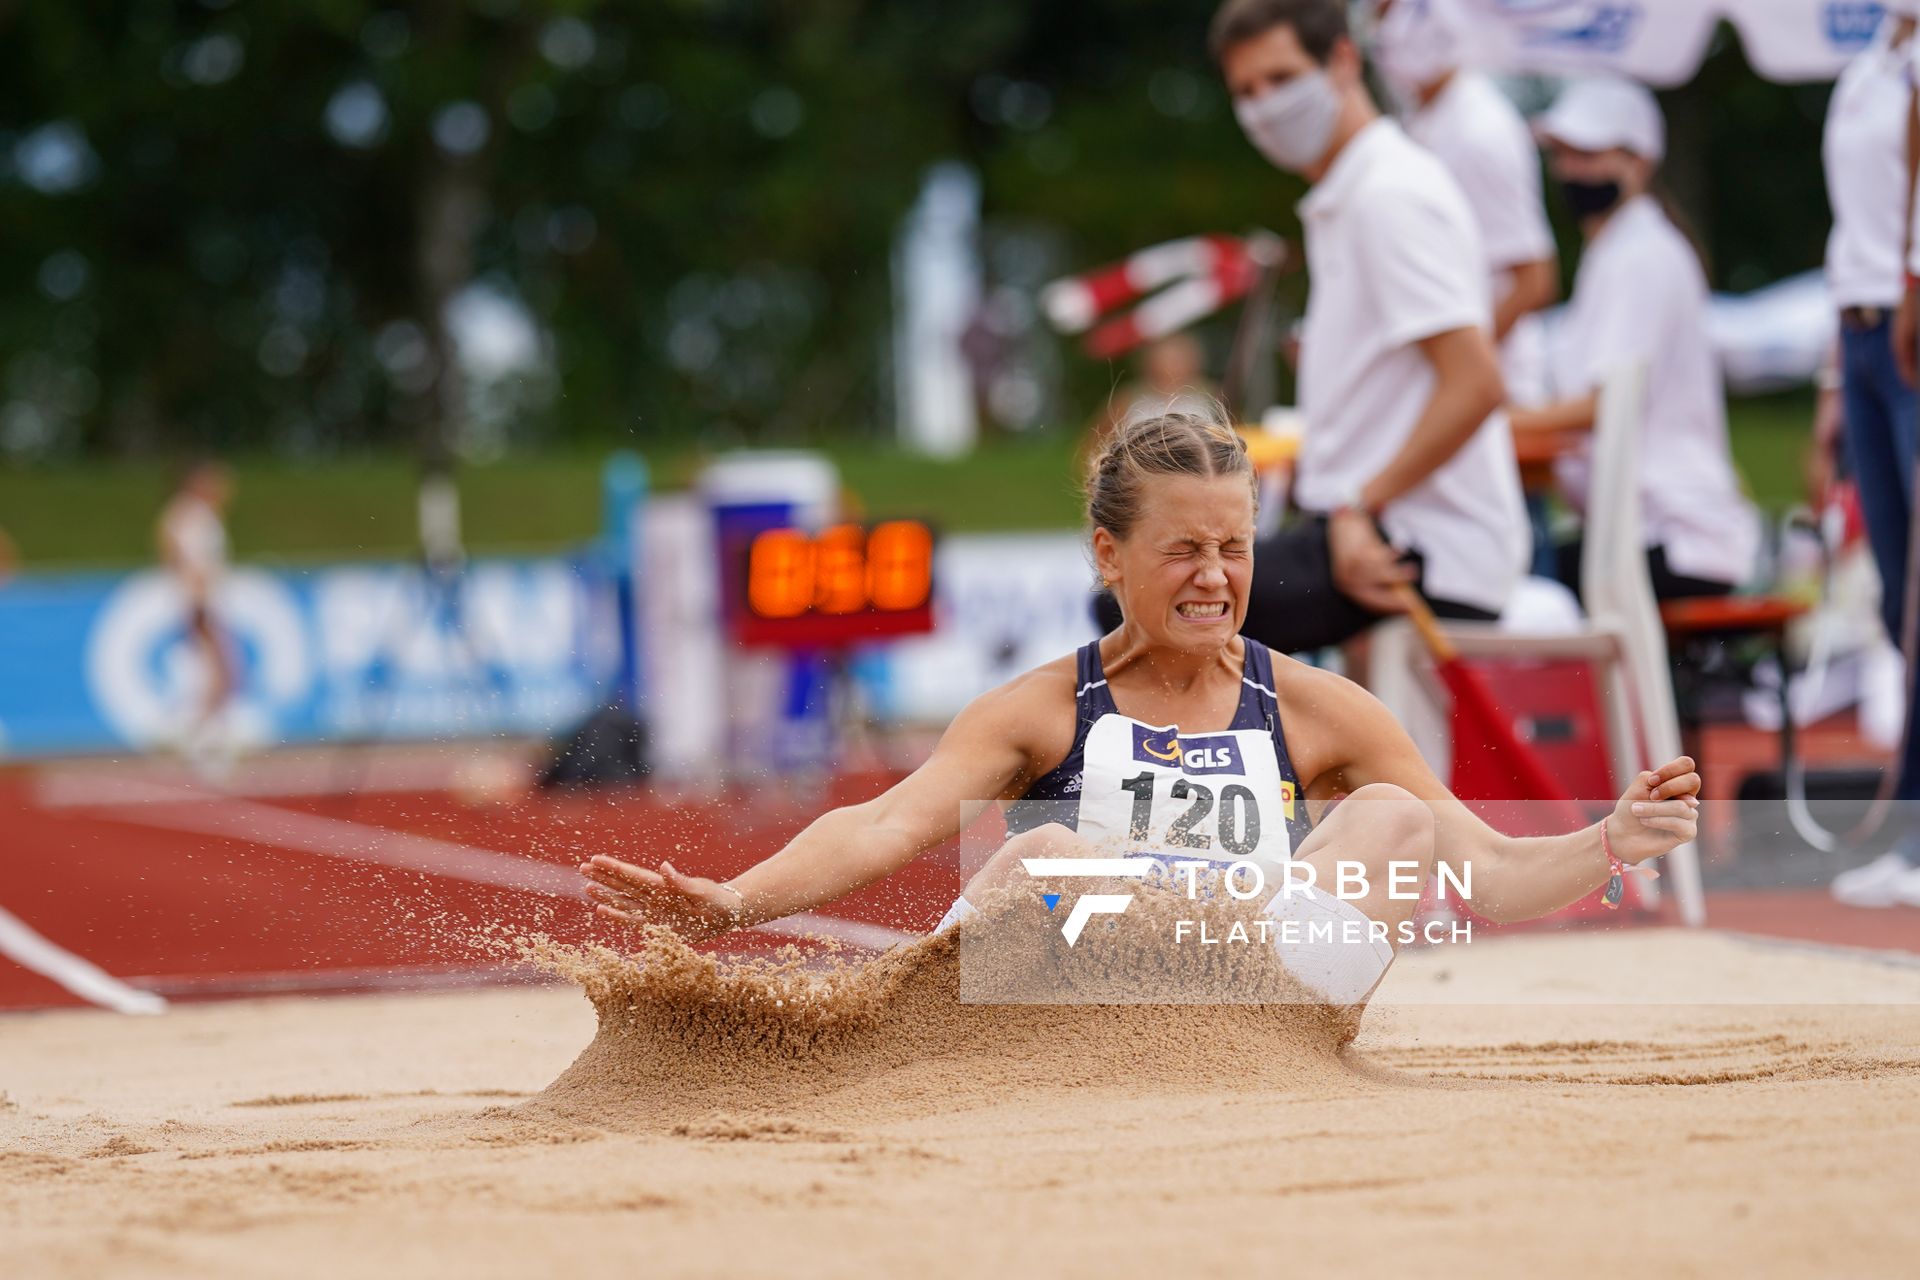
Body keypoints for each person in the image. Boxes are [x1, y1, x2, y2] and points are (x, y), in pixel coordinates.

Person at [581, 414, 1701, 1013]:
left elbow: (1490, 873)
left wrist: (1610, 840)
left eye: (1234, 547)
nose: (1215, 577)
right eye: (1184, 550)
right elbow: (885, 822)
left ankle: (1258, 1027)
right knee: (1049, 853)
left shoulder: (1314, 706)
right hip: (1089, 995)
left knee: (1397, 825)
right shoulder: (1040, 707)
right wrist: (733, 902)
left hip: (1260, 1001)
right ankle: (896, 1026)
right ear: (1110, 555)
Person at [1204, 0, 1530, 656]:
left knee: (1154, 598)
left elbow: (1477, 384)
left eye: (1281, 78)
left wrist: (1357, 506)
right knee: (1160, 583)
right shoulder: (1354, 193)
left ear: (1343, 60)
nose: (1266, 106)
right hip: (1385, 528)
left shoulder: (1389, 194)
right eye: (1246, 91)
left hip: (1420, 550)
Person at [1509, 78, 1760, 603]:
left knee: (1513, 588)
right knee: (1525, 575)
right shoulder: (1627, 250)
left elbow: (1604, 404)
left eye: (1589, 153)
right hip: (1664, 530)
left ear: (1640, 162)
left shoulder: (1638, 256)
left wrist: (1494, 422)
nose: (1571, 169)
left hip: (1670, 535)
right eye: (1564, 153)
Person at [1826, 1, 1920, 908]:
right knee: (1900, 594)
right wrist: (1830, 376)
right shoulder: (1868, 64)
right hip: (1862, 327)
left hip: (1907, 321)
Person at [1366, 0, 1558, 404]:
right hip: (1459, 387)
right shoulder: (1426, 121)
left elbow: (1534, 279)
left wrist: (1459, 366)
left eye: (1388, 11)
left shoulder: (1478, 130)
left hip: (1495, 393)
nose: (1380, 28)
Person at [157, 459, 237, 767]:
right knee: (221, 672)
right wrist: (200, 602)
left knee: (215, 673)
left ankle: (200, 736)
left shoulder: (187, 514)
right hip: (200, 603)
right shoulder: (193, 515)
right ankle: (202, 740)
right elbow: (189, 562)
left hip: (198, 601)